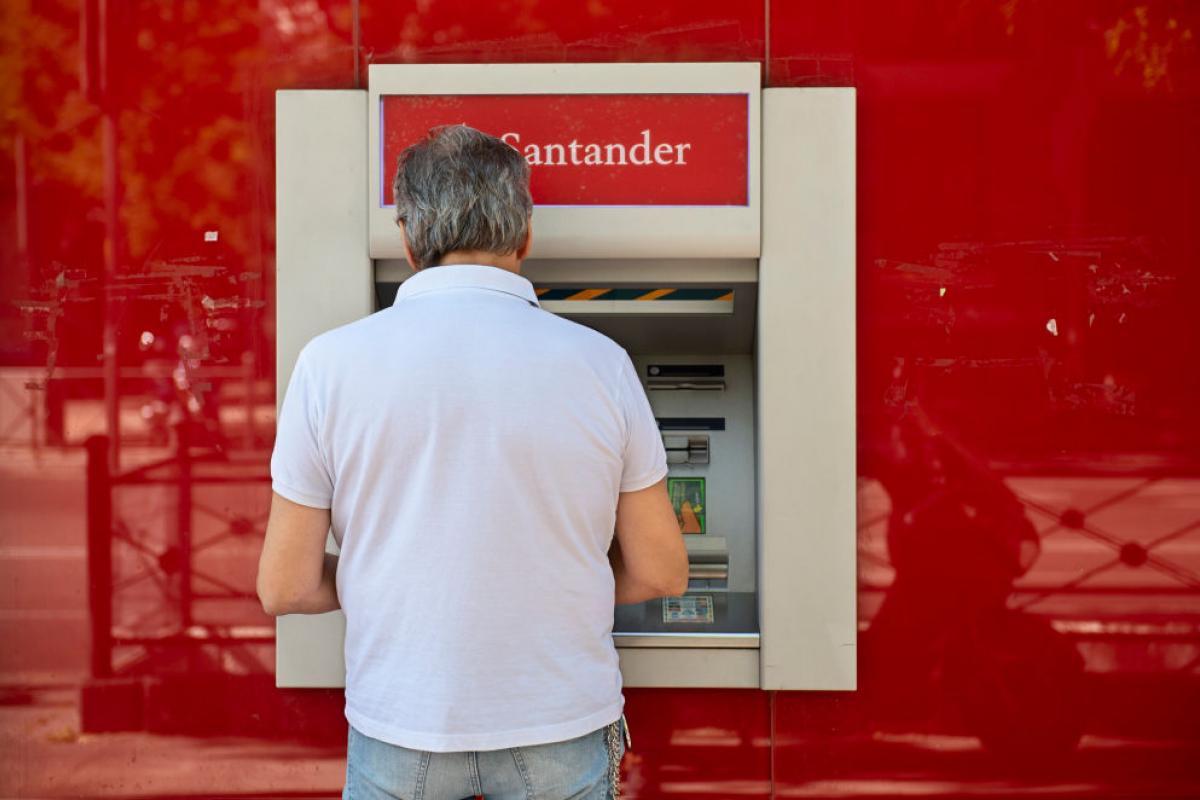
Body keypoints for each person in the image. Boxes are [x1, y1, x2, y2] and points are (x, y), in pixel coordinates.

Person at [256, 124, 689, 800]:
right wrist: (548, 578)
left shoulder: (329, 365)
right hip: (560, 721)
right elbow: (662, 571)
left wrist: (399, 578)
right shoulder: (601, 363)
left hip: (401, 723)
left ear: (407, 238)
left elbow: (283, 586)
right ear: (525, 236)